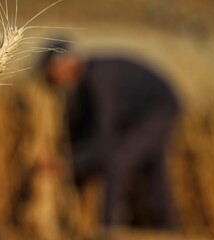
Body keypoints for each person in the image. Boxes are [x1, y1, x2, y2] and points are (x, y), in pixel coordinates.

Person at [37, 40, 181, 229]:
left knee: (116, 161)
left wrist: (69, 165)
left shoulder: (99, 80)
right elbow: (94, 132)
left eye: (51, 73)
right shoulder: (90, 81)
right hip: (148, 112)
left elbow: (103, 141)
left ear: (65, 65)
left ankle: (108, 229)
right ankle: (169, 229)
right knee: (152, 170)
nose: (51, 82)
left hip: (159, 110)